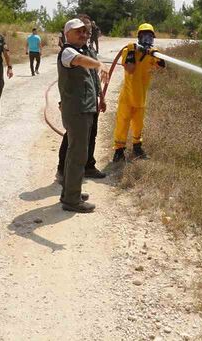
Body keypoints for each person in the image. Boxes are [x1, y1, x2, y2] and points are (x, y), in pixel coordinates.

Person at [57, 18, 108, 213]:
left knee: (76, 153)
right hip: (76, 111)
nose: (83, 34)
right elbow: (78, 61)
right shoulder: (68, 52)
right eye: (78, 31)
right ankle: (71, 200)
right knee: (77, 155)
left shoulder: (82, 51)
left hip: (85, 109)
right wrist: (98, 65)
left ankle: (71, 192)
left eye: (85, 32)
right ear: (67, 33)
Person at [112, 23, 165, 163]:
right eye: (144, 35)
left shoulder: (152, 53)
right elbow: (129, 69)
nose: (147, 38)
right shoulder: (129, 50)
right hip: (128, 96)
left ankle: (137, 148)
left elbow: (162, 67)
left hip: (141, 96)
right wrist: (132, 52)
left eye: (150, 36)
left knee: (138, 124)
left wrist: (155, 54)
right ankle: (119, 151)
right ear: (139, 36)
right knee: (122, 123)